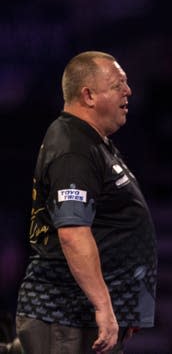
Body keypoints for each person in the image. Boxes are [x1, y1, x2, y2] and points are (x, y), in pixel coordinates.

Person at [15, 51, 157, 353]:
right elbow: (73, 234)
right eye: (118, 84)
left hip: (84, 317)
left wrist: (125, 306)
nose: (128, 91)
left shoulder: (92, 142)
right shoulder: (73, 149)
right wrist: (104, 307)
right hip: (63, 318)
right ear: (89, 95)